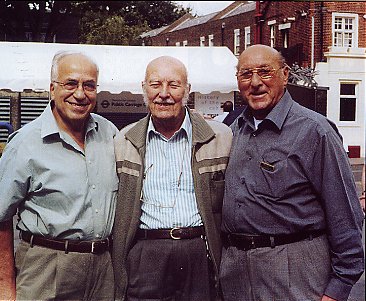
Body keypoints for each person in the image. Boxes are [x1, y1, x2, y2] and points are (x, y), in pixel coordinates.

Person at [220, 44, 364, 301]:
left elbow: (345, 212)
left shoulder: (314, 131)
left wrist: (338, 287)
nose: (255, 83)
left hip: (294, 272)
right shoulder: (232, 128)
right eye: (246, 74)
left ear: (285, 75)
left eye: (265, 72)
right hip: (237, 274)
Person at [0, 51, 119, 301]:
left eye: (89, 85)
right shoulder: (25, 143)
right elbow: (1, 218)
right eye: (71, 83)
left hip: (102, 273)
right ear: (52, 89)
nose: (80, 94)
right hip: (45, 269)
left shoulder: (109, 134)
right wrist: (5, 289)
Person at [113, 55, 232, 301]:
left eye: (174, 85)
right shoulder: (124, 141)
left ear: (187, 90)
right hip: (147, 253)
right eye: (155, 84)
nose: (164, 94)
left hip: (199, 251)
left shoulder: (221, 138)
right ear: (143, 88)